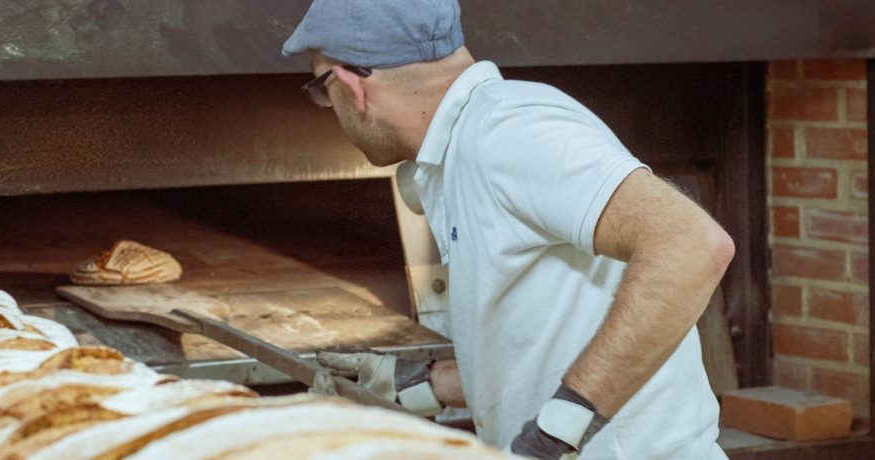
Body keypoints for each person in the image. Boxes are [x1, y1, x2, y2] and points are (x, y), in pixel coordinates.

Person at [282, 1, 734, 459]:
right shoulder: (463, 144)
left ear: (351, 86)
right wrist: (427, 385)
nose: (329, 108)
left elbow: (692, 242)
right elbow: (549, 329)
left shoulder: (507, 132)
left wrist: (557, 432)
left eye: (321, 89)